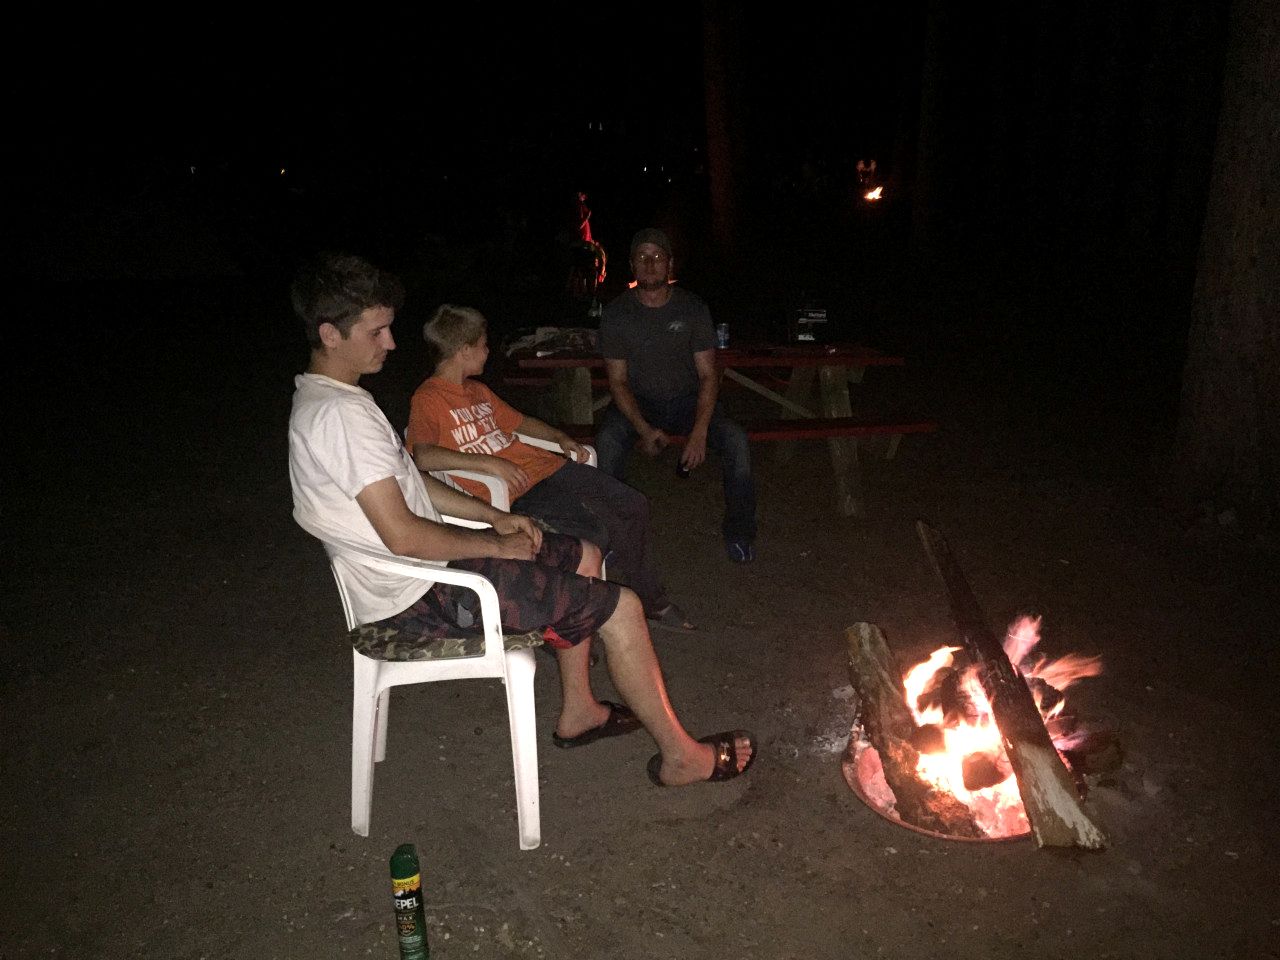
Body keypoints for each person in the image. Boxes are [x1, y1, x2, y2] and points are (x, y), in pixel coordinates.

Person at [287, 252, 753, 786]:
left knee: (588, 555)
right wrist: (494, 545)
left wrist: (492, 517)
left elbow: (415, 490)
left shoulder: (339, 402)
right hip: (421, 595)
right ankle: (683, 759)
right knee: (622, 607)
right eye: (377, 331)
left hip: (418, 573)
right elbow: (403, 533)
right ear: (330, 334)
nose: (391, 343)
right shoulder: (341, 418)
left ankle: (579, 710)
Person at [404, 303, 695, 632]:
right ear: (464, 349)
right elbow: (423, 456)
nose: (488, 352)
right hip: (515, 492)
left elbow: (520, 423)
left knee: (632, 503)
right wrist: (488, 462)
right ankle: (561, 625)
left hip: (545, 468)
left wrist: (560, 438)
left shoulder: (478, 391)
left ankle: (650, 601)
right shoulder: (428, 398)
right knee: (593, 531)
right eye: (484, 345)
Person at [596, 228, 758, 563]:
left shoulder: (692, 308)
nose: (651, 263)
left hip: (687, 402)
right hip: (638, 402)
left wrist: (698, 433)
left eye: (658, 256)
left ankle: (741, 534)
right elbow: (618, 382)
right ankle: (610, 537)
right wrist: (643, 429)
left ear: (669, 264)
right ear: (632, 265)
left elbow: (708, 375)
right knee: (607, 442)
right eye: (643, 256)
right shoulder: (616, 314)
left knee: (736, 440)